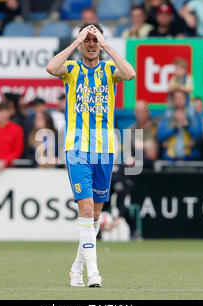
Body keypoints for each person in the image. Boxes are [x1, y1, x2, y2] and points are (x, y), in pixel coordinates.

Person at [46, 22, 135, 288]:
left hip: (105, 149)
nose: (91, 44)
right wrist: (76, 41)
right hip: (77, 147)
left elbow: (130, 74)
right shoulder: (71, 69)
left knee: (94, 214)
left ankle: (76, 268)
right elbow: (51, 68)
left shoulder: (109, 70)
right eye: (88, 40)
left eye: (94, 40)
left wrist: (106, 42)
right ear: (81, 42)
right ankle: (93, 274)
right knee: (85, 209)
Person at [157, 89, 203, 161]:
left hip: (189, 158)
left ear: (185, 99)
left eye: (181, 98)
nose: (178, 101)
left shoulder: (192, 114)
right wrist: (175, 128)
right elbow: (160, 136)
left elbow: (199, 134)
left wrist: (186, 126)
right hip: (170, 158)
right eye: (176, 98)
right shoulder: (168, 114)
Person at [128, 100, 159, 169]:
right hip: (139, 163)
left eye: (143, 112)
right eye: (138, 112)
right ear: (135, 113)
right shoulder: (131, 130)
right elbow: (128, 153)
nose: (141, 115)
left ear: (148, 112)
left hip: (157, 162)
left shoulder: (157, 126)